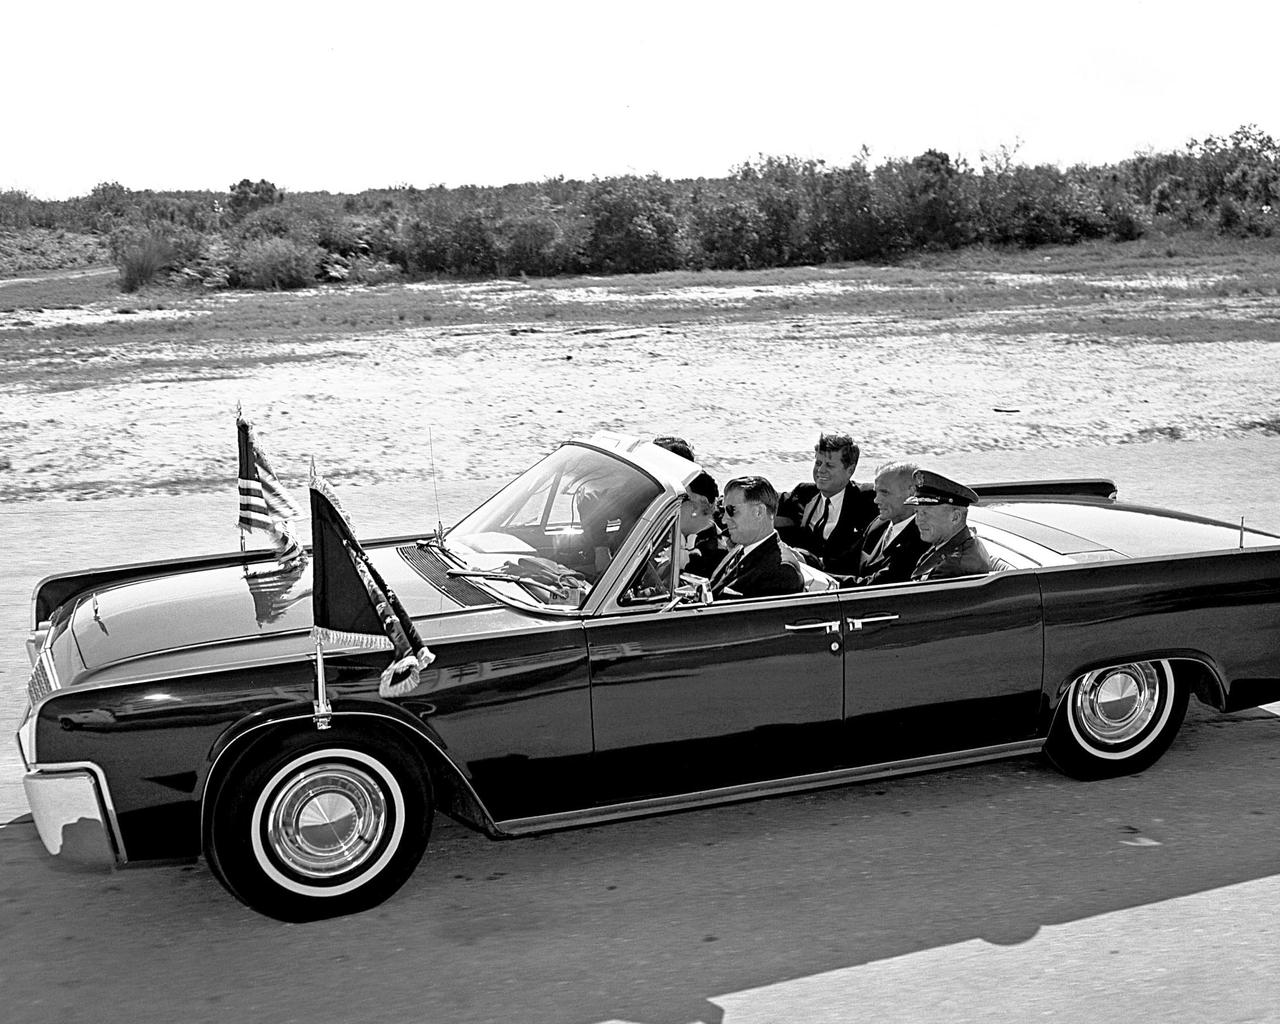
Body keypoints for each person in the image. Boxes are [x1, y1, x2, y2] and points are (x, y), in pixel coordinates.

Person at [776, 432, 877, 574]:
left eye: (829, 465)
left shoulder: (868, 499)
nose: (821, 470)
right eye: (818, 463)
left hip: (843, 583)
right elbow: (763, 504)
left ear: (850, 470)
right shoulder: (803, 493)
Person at [708, 476, 804, 599]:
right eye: (723, 510)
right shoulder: (742, 549)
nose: (724, 519)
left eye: (731, 510)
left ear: (759, 511)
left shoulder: (781, 571)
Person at [850, 461, 930, 586]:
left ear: (912, 493)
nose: (876, 500)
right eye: (876, 492)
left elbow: (879, 584)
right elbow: (848, 560)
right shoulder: (879, 524)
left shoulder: (922, 537)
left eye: (885, 493)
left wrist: (830, 583)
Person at [906, 470, 992, 581]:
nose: (918, 521)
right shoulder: (958, 540)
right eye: (917, 512)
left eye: (926, 513)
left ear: (955, 517)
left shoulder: (951, 568)